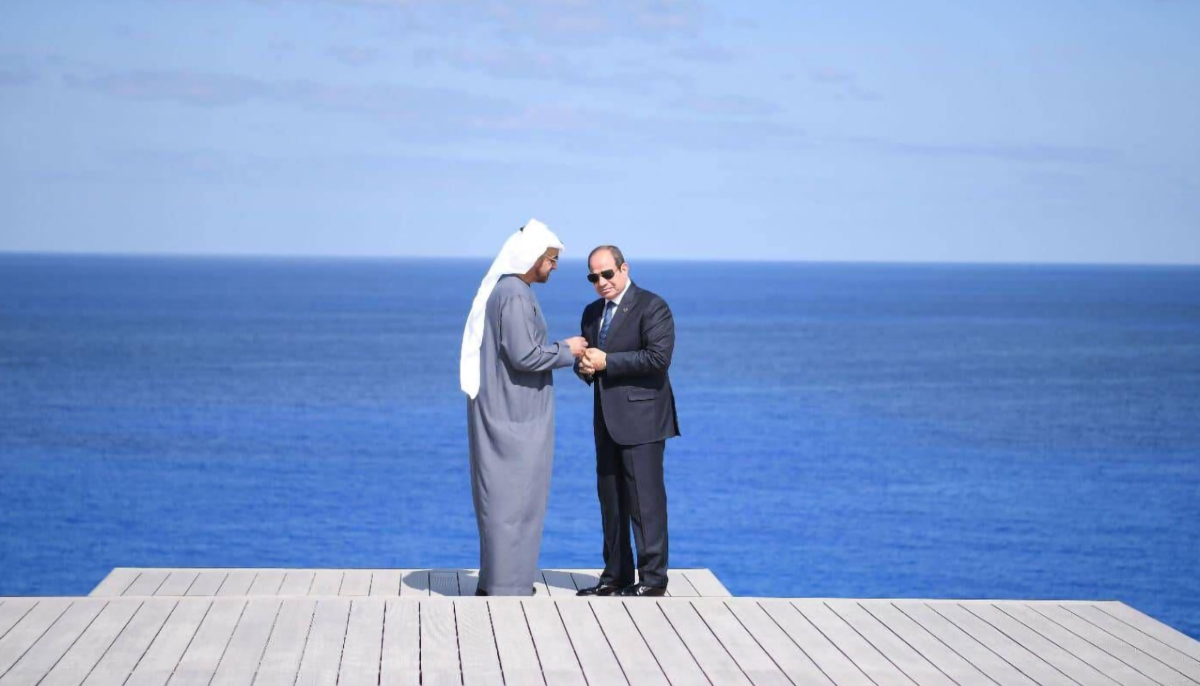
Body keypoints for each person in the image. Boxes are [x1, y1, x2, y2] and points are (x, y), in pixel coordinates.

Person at [461, 219, 589, 596]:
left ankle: (502, 581)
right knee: (514, 503)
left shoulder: (508, 290)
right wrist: (567, 350)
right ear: (532, 258)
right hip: (515, 418)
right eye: (551, 259)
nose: (554, 266)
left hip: (508, 412)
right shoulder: (515, 294)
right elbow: (524, 355)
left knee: (508, 502)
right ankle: (508, 587)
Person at [574, 245, 679, 597]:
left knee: (645, 502)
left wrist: (607, 362)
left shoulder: (652, 306)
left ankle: (652, 579)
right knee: (611, 501)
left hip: (644, 420)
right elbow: (589, 362)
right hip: (606, 419)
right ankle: (615, 575)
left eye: (607, 274)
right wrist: (584, 367)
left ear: (624, 269)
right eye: (593, 277)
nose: (601, 282)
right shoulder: (592, 312)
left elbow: (658, 358)